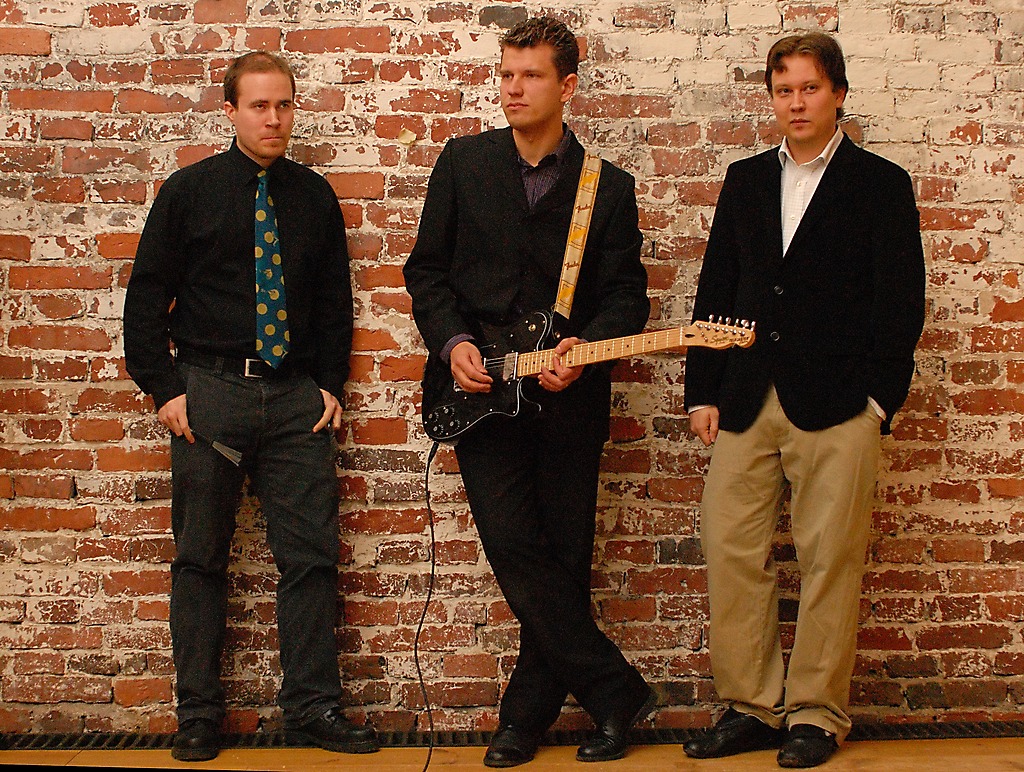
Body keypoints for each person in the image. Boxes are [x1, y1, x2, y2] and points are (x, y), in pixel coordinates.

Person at [404, 16, 654, 768]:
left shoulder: (607, 187)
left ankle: (524, 719)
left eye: (531, 75)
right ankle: (615, 691)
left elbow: (628, 296)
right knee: (515, 548)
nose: (513, 88)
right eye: (506, 74)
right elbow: (426, 271)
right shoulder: (463, 162)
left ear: (567, 85)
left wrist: (586, 349)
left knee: (564, 559)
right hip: (480, 395)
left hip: (567, 399)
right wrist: (453, 342)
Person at [123, 51, 377, 763]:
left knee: (310, 559)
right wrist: (165, 390)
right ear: (230, 110)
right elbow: (146, 296)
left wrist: (329, 383)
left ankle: (313, 708)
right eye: (259, 106)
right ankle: (199, 715)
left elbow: (334, 301)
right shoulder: (188, 192)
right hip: (209, 393)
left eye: (284, 105)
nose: (274, 119)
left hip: (295, 398)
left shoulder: (314, 197)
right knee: (200, 559)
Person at [682, 32, 926, 768]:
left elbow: (901, 301)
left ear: (839, 94)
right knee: (730, 546)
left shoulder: (881, 184)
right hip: (747, 394)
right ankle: (751, 705)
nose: (796, 102)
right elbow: (717, 285)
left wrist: (879, 400)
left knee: (830, 560)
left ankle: (816, 714)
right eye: (783, 90)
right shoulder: (746, 180)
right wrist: (702, 390)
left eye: (810, 88)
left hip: (841, 401)